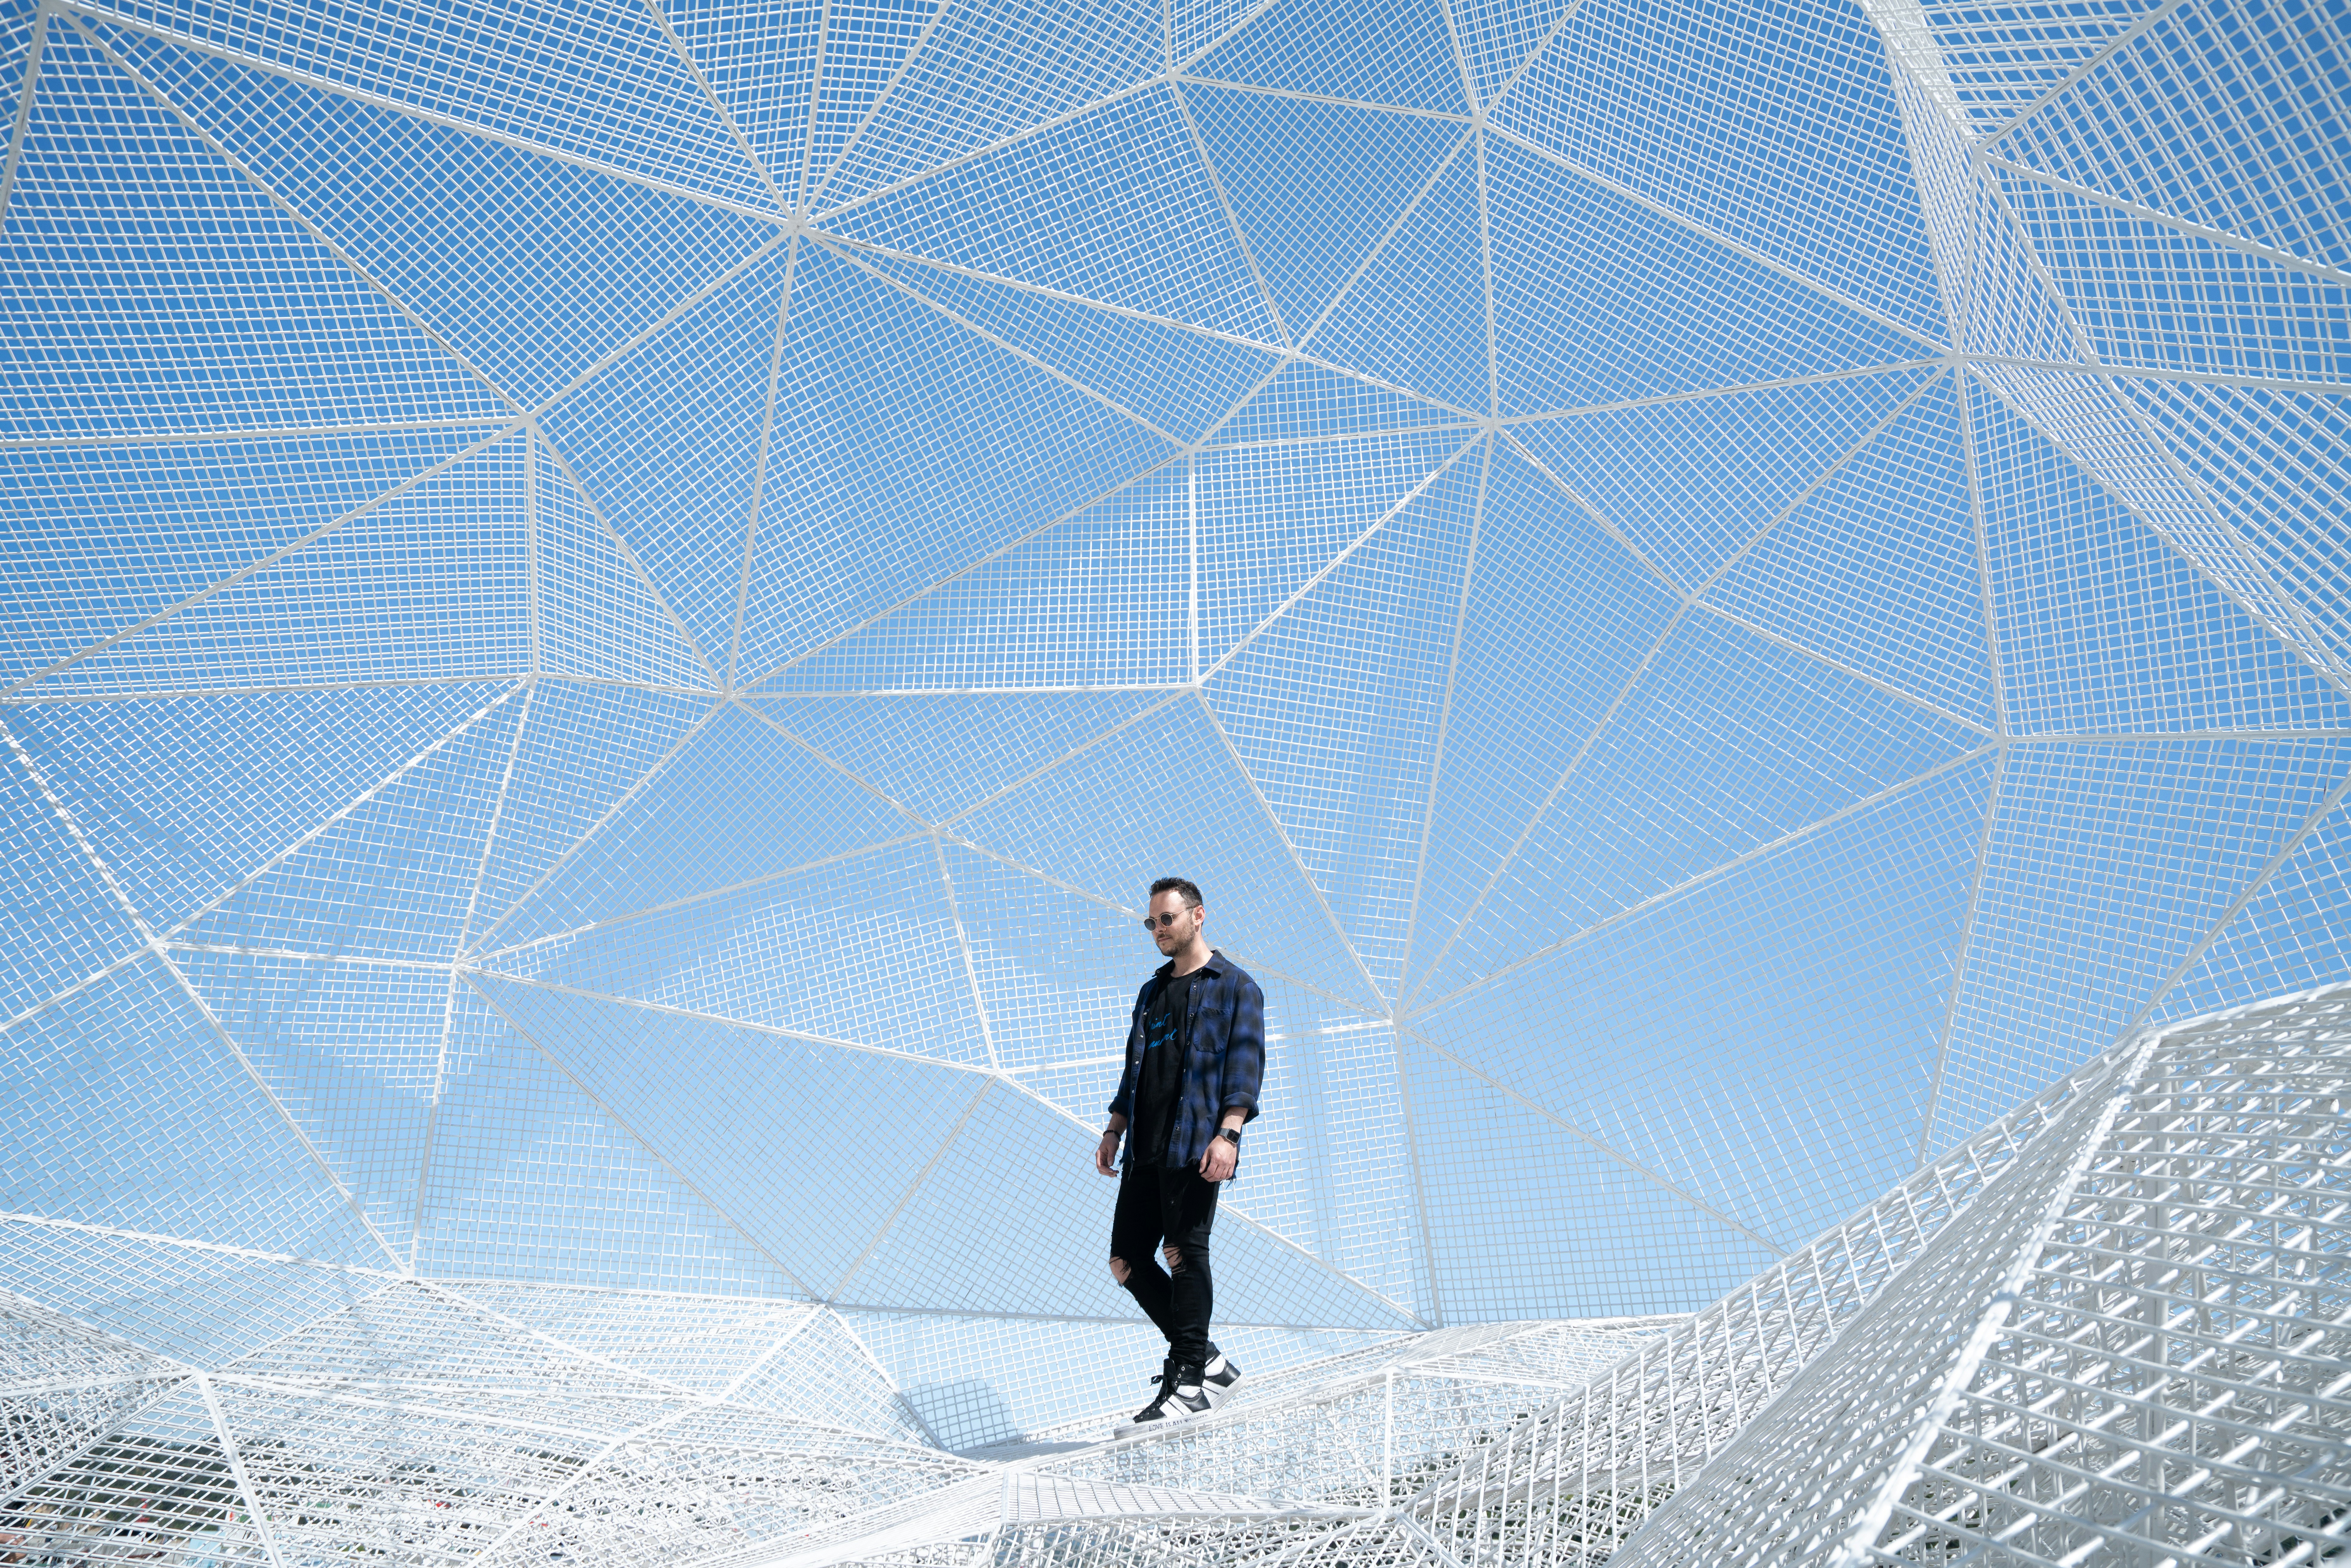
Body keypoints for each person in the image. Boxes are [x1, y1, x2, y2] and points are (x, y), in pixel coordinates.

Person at [1095, 876, 1264, 1432]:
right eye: (1150, 922)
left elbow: (1245, 1068)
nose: (1157, 931)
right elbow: (1133, 1069)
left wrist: (1230, 1134)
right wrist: (1115, 1128)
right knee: (1125, 1259)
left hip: (1197, 1141)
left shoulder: (1235, 987)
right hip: (1145, 1143)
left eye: (1165, 919)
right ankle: (1209, 1360)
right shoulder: (1152, 992)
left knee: (1183, 1250)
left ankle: (1191, 1377)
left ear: (1197, 916)